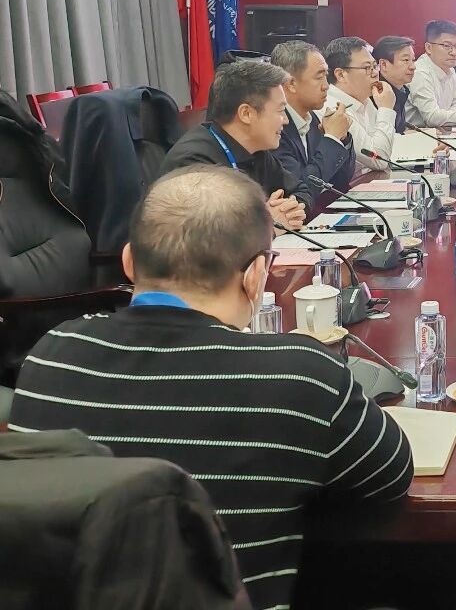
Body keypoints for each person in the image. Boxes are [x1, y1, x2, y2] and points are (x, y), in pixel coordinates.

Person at [7, 166, 412, 610]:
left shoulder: (51, 355)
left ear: (129, 262)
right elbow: (391, 477)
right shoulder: (300, 374)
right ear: (255, 275)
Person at [160, 59, 306, 229]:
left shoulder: (256, 150)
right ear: (246, 114)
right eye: (280, 111)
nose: (286, 120)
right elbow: (206, 235)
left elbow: (300, 189)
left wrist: (292, 209)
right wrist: (266, 224)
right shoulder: (193, 161)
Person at [270, 40, 355, 210]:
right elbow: (301, 190)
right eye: (319, 77)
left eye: (326, 76)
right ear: (291, 84)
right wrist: (332, 139)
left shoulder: (313, 119)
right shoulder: (275, 128)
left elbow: (341, 181)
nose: (326, 86)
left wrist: (342, 138)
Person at [324, 36, 397, 171]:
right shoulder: (333, 108)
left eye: (375, 66)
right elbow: (379, 160)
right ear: (341, 75)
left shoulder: (364, 99)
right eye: (367, 68)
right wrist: (386, 109)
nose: (375, 73)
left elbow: (386, 147)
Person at [372, 35, 416, 133]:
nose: (413, 67)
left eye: (413, 60)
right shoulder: (378, 95)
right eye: (406, 60)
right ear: (383, 64)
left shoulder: (401, 90)